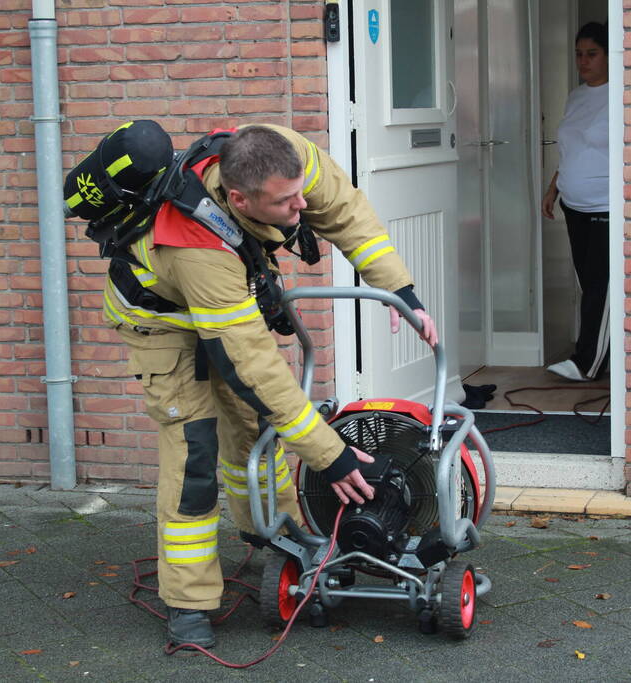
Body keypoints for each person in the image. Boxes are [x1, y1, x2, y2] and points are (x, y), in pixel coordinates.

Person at [102, 124, 438, 648]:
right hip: (162, 326)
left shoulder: (287, 155)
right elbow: (252, 364)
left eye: (300, 189)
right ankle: (188, 603)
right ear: (239, 199)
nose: (302, 204)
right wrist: (333, 456)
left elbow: (349, 216)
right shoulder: (198, 247)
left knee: (256, 430)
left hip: (224, 309)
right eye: (286, 202)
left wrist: (402, 291)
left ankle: (276, 537)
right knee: (195, 456)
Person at [542, 22, 610, 383]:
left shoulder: (621, 96)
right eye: (579, 54)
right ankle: (600, 355)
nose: (583, 61)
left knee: (602, 285)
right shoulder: (577, 95)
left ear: (608, 55)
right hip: (575, 204)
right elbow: (572, 149)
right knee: (589, 284)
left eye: (592, 54)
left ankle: (588, 363)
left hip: (607, 207)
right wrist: (554, 188)